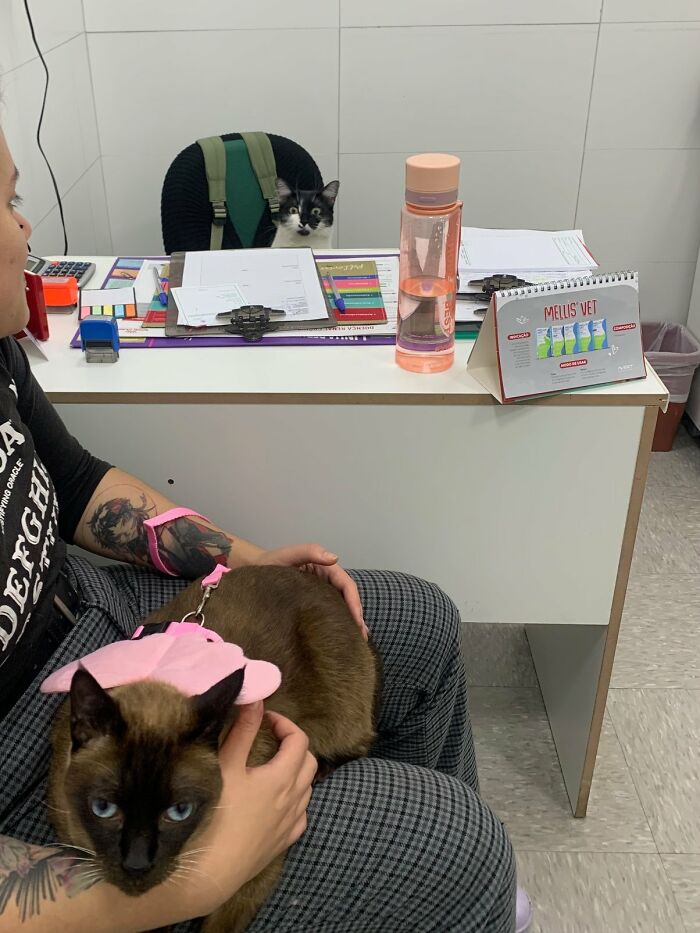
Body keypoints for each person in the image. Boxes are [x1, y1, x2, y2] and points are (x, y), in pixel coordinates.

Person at [0, 124, 528, 932]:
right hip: (46, 767)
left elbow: (76, 485)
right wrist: (190, 881)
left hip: (110, 622)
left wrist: (245, 563)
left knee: (420, 619)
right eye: (7, 203)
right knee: (460, 843)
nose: (25, 229)